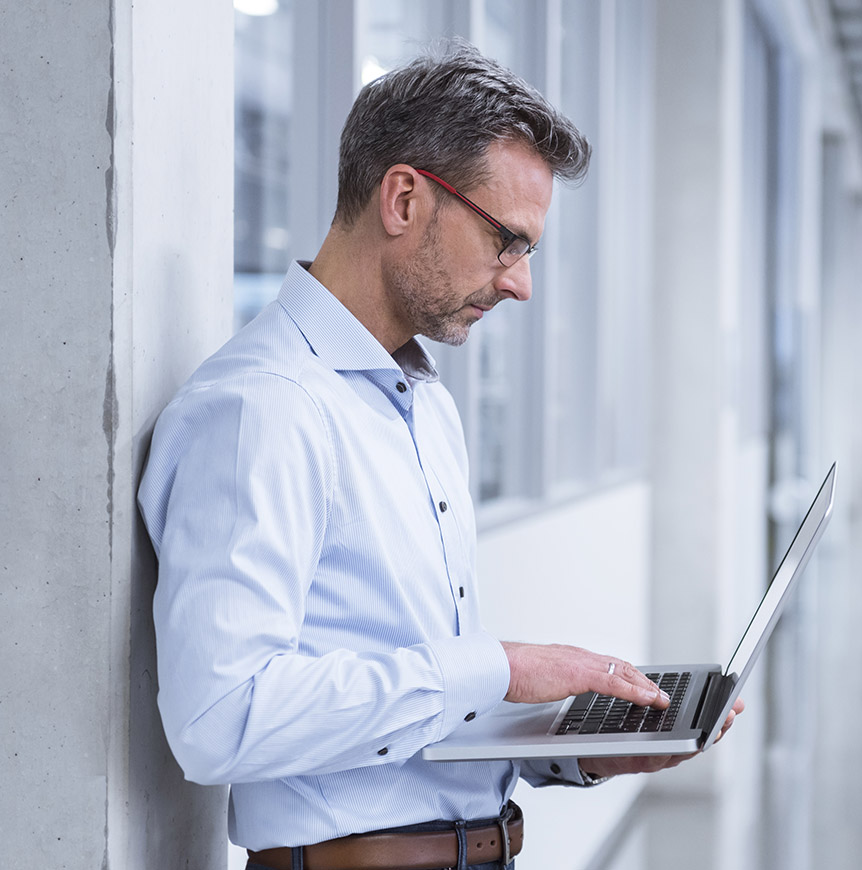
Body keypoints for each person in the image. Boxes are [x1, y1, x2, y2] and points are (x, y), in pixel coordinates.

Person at [138, 41, 742, 870]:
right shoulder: (261, 410)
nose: (520, 283)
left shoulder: (424, 406)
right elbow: (220, 720)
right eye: (507, 241)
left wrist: (567, 749)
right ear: (404, 199)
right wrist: (495, 667)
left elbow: (420, 709)